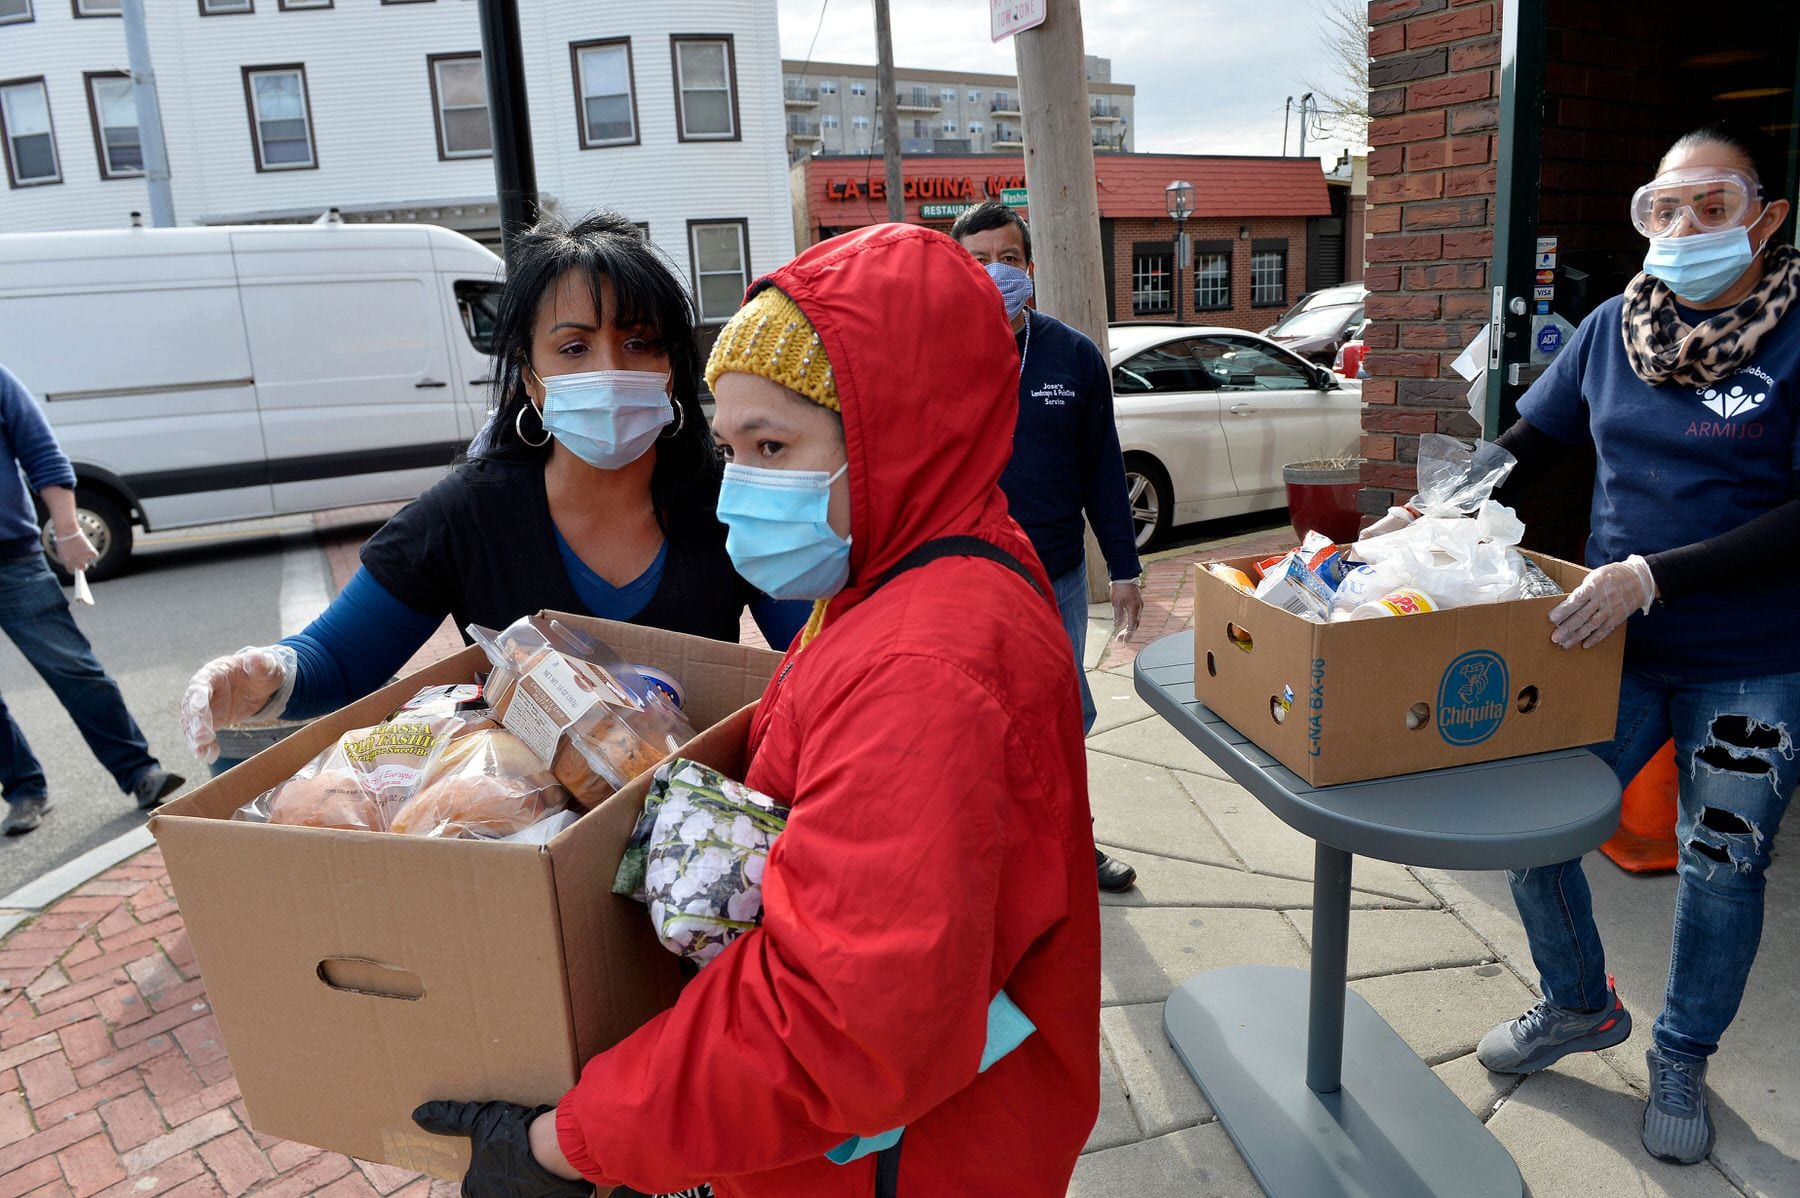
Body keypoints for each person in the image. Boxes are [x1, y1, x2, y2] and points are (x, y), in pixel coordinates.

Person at [412, 223, 1102, 1197]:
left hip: (902, 1161)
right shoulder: (920, 564)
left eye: (774, 445)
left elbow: (832, 1024)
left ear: (899, 429)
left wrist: (564, 1141)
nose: (742, 489)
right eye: (733, 447)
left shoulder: (925, 667)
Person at [1371, 123, 1800, 1166]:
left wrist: (1659, 574)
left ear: (1767, 217)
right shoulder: (1615, 327)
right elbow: (1528, 444)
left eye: (1713, 205)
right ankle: (1577, 1003)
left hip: (1749, 654)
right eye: (1666, 207)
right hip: (1604, 638)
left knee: (1720, 863)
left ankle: (1682, 1052)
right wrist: (1432, 509)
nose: (1685, 226)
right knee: (1529, 824)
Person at [181, 212, 808, 766]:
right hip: (523, 830)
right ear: (531, 381)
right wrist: (266, 675)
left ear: (671, 369)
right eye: (574, 347)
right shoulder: (463, 519)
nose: (610, 367)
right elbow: (339, 658)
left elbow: (817, 653)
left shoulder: (734, 506)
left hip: (696, 829)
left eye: (638, 342)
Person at [951, 199, 1144, 892]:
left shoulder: (1071, 355)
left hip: (1055, 576)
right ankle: (990, 850)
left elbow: (1102, 468)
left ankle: (1070, 844)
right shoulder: (938, 354)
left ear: (1030, 269)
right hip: (966, 579)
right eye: (977, 262)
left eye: (1008, 259)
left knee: (1063, 718)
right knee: (977, 722)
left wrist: (1124, 567)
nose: (996, 273)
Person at [0, 364, 184, 835]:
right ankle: (24, 790)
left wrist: (67, 529)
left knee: (73, 669)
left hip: (12, 558)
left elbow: (41, 453)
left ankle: (140, 772)